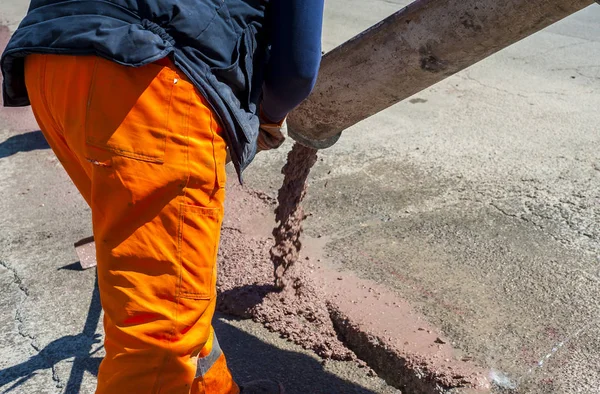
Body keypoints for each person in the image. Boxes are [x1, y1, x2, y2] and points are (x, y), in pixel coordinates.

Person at [1, 0, 324, 392]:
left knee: (174, 287)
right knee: (157, 339)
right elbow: (297, 68)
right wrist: (267, 117)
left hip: (51, 60)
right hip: (146, 75)